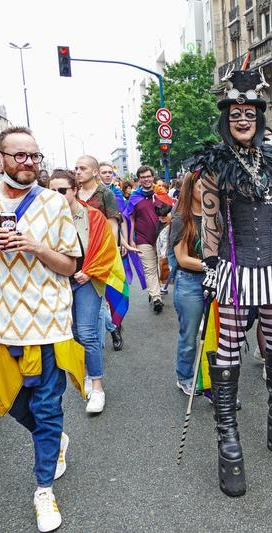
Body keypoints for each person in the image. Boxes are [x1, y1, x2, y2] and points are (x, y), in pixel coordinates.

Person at [0, 127, 83, 532]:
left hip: (46, 323)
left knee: (46, 405)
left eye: (34, 156)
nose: (28, 163)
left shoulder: (54, 203)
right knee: (5, 399)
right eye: (19, 156)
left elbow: (71, 266)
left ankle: (43, 489)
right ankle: (53, 436)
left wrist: (37, 247)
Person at [194, 66, 272, 497]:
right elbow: (209, 222)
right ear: (226, 118)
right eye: (235, 113)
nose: (243, 119)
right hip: (235, 272)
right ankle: (228, 435)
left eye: (250, 113)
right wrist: (208, 267)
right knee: (226, 353)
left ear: (259, 117)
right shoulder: (214, 166)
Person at [48, 170, 113, 414]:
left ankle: (97, 386)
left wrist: (90, 271)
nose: (57, 195)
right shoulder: (44, 218)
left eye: (62, 190)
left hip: (87, 280)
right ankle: (87, 373)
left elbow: (107, 249)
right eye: (51, 191)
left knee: (87, 333)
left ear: (74, 189)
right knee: (73, 334)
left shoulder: (93, 216)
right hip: (59, 282)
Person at [75, 155, 124, 351]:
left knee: (100, 299)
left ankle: (96, 356)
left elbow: (112, 228)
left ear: (95, 172)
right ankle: (112, 328)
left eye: (83, 168)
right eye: (76, 168)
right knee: (95, 304)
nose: (78, 171)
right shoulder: (73, 193)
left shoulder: (105, 194)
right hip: (76, 258)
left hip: (98, 256)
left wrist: (107, 255)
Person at [170, 172, 205, 395]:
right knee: (190, 335)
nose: (206, 190)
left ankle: (211, 377)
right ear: (190, 188)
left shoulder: (216, 215)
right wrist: (213, 266)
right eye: (201, 187)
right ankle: (184, 376)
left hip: (215, 280)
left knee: (215, 334)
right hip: (189, 282)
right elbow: (182, 258)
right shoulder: (180, 218)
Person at [124, 165, 170, 314]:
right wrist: (131, 239)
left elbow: (174, 211)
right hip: (143, 238)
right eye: (143, 177)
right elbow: (130, 217)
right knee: (149, 268)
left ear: (153, 177)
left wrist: (168, 217)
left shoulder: (161, 193)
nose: (146, 179)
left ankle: (155, 290)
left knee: (161, 265)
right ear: (139, 179)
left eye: (148, 176)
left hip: (162, 236)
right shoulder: (135, 196)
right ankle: (156, 297)